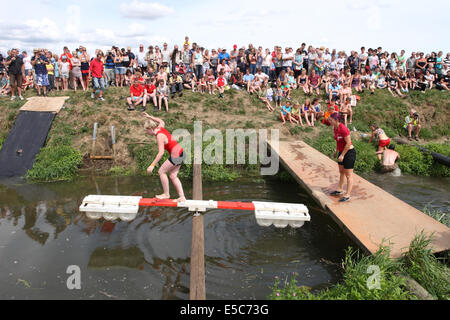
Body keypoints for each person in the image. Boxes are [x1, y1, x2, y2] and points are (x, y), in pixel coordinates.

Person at [142, 112, 186, 202]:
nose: (146, 132)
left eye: (146, 130)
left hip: (176, 156)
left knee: (161, 171)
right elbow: (161, 121)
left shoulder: (159, 136)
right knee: (173, 176)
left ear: (150, 128)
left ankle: (166, 194)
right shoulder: (160, 128)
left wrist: (152, 165)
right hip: (182, 153)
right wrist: (149, 116)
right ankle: (182, 197)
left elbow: (161, 153)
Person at [328, 113, 356, 203]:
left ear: (336, 120)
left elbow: (348, 143)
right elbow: (338, 140)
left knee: (348, 175)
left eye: (331, 120)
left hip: (349, 153)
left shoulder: (344, 129)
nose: (330, 121)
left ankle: (347, 195)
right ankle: (340, 189)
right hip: (342, 152)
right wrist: (336, 151)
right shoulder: (335, 128)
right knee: (341, 172)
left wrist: (343, 155)